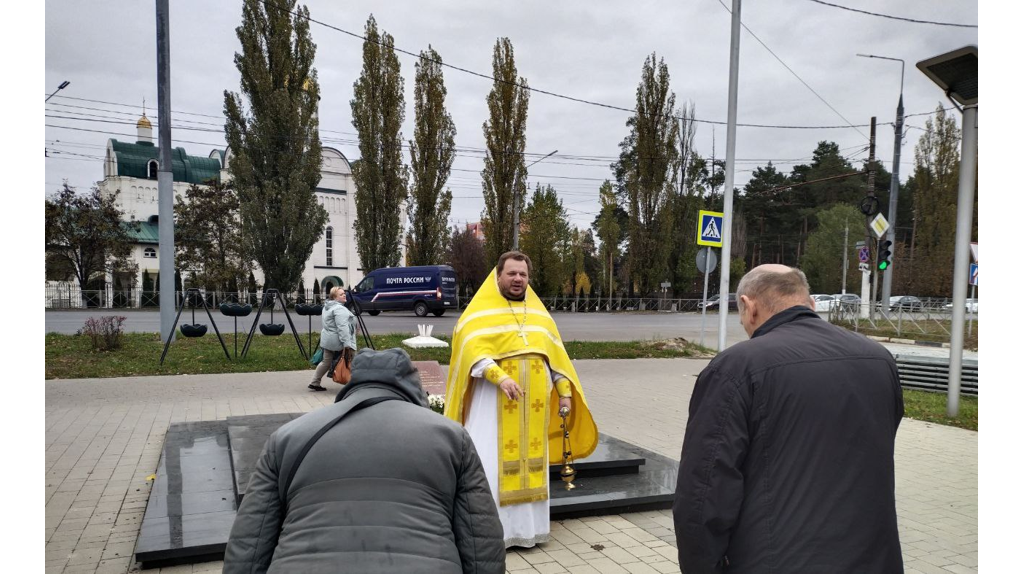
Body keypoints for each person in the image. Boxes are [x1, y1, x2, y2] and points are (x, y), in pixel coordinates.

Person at [673, 264, 904, 573]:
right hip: (875, 559)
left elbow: (703, 493)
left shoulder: (736, 368)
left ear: (748, 306)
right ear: (808, 304)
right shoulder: (878, 358)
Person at [224, 347, 506, 574]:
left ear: (353, 381)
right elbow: (480, 539)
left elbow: (250, 541)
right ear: (414, 386)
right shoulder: (451, 438)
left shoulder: (287, 437)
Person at [444, 251, 598, 548]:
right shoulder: (476, 314)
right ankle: (491, 535)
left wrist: (565, 395)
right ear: (498, 276)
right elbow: (470, 356)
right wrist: (499, 376)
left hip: (533, 410)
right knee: (489, 466)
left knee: (532, 468)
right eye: (512, 273)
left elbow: (556, 362)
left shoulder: (540, 316)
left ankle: (527, 532)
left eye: (523, 274)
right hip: (492, 407)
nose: (517, 279)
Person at [309, 286, 356, 391]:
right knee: (351, 361)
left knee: (326, 362)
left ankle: (314, 382)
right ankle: (353, 385)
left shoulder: (327, 307)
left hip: (328, 340)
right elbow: (342, 327)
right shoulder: (339, 309)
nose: (344, 295)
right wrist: (347, 343)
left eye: (344, 293)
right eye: (341, 294)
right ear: (335, 297)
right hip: (339, 340)